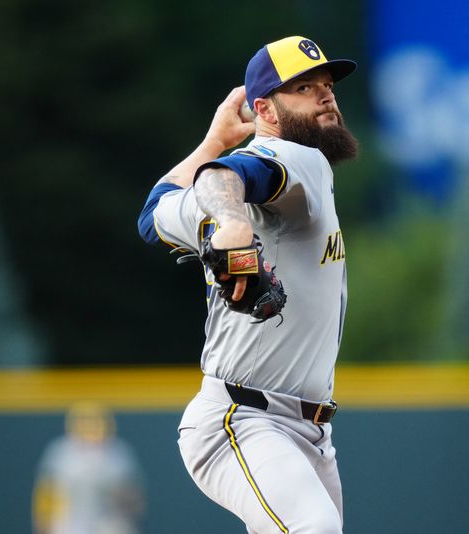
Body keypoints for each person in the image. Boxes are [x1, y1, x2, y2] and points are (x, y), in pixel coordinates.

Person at [137, 36, 359, 533]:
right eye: (303, 87)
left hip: (303, 431)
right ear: (265, 109)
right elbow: (233, 174)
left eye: (327, 85)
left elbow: (153, 214)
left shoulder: (228, 185)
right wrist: (232, 216)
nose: (326, 95)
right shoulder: (297, 159)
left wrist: (214, 142)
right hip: (242, 422)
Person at [32, 401, 146, 534]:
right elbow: (46, 495)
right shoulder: (61, 453)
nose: (90, 427)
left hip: (109, 527)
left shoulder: (118, 454)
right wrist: (43, 526)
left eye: (94, 422)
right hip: (69, 527)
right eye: (85, 422)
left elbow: (135, 502)